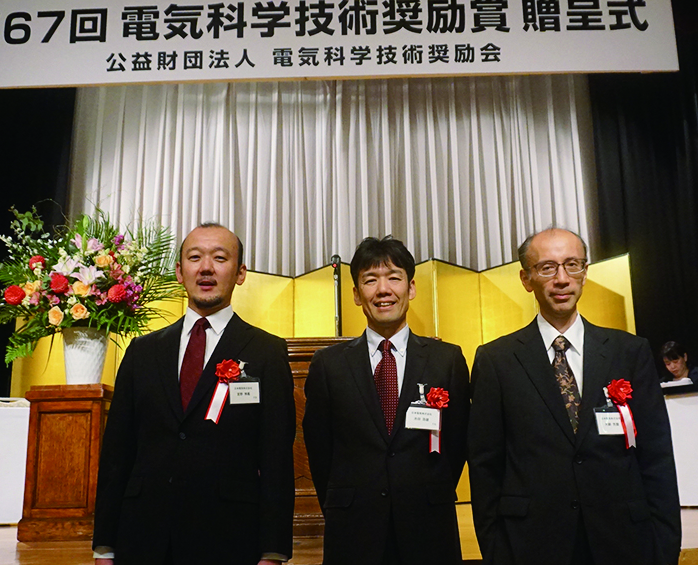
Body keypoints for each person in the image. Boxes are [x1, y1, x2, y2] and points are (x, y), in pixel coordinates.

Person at [468, 228, 680, 565]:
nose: (562, 279)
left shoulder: (630, 352)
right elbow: (485, 465)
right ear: (526, 278)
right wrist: (496, 550)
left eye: (572, 265)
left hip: (624, 540)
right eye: (548, 268)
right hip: (531, 543)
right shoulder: (496, 360)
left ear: (585, 273)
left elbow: (656, 457)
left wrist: (665, 546)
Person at [93, 223, 295, 565]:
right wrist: (104, 546)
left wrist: (273, 551)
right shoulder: (142, 351)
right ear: (179, 271)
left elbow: (276, 459)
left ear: (241, 273)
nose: (206, 268)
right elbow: (116, 454)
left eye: (220, 258)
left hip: (230, 537)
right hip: (143, 536)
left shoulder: (266, 352)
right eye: (194, 257)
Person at [303, 236, 470, 565]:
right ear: (356, 294)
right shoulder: (329, 365)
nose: (383, 289)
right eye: (370, 280)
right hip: (354, 528)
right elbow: (320, 448)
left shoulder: (446, 360)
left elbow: (459, 441)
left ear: (411, 288)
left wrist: (425, 490)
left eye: (394, 277)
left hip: (428, 526)